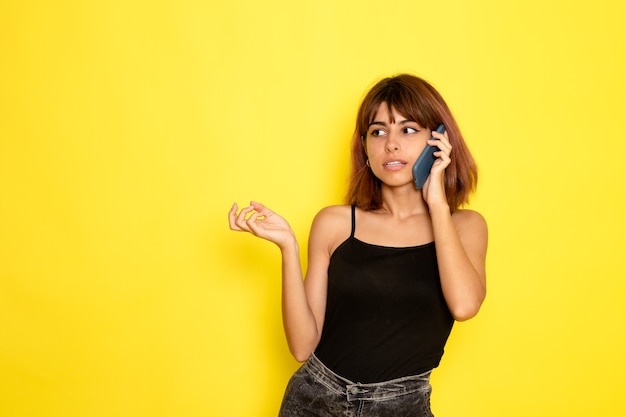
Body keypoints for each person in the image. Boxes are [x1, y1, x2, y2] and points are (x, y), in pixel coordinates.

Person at [228, 74, 488, 416]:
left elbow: (465, 306)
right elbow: (302, 346)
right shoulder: (334, 224)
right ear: (364, 147)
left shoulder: (464, 226)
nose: (391, 144)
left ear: (438, 140)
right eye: (378, 131)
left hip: (402, 407)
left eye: (408, 129)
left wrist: (437, 201)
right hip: (313, 401)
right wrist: (288, 248)